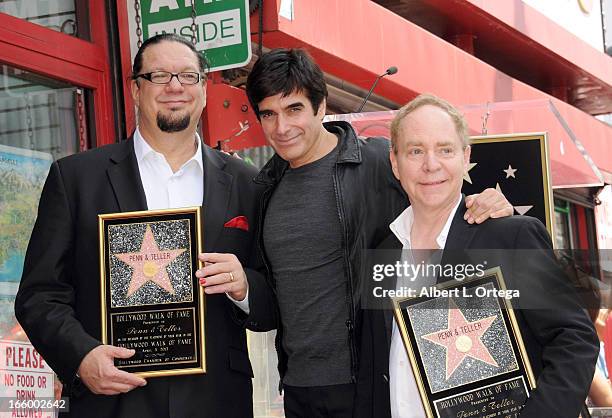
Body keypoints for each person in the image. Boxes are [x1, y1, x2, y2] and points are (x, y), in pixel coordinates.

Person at [15, 33, 274, 417]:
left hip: (216, 399)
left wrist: (245, 286)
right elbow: (39, 295)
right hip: (112, 400)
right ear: (136, 90)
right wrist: (81, 357)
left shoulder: (248, 183)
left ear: (203, 90)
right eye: (158, 76)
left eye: (188, 76)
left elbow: (275, 297)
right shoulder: (76, 179)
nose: (174, 87)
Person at [244, 49, 513, 418]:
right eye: (268, 114)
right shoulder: (265, 186)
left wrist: (489, 204)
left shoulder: (377, 162)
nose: (282, 127)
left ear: (321, 106)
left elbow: (446, 198)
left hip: (373, 384)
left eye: (294, 109)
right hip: (297, 388)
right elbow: (274, 293)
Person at [355, 94, 599, 418]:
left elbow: (574, 340)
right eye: (416, 151)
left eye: (445, 149)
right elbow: (375, 368)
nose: (431, 164)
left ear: (465, 156)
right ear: (395, 163)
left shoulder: (508, 237)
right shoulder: (384, 250)